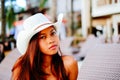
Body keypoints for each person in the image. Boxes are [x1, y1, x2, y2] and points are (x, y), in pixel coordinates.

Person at [11, 13, 78, 80]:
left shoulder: (69, 64)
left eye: (53, 33)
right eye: (42, 37)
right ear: (33, 44)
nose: (51, 40)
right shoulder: (22, 67)